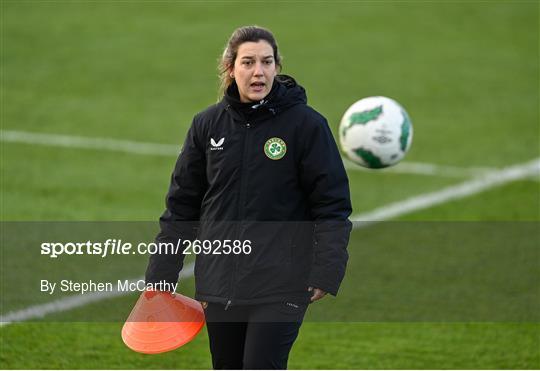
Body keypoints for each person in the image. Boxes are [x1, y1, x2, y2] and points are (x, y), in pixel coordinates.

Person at [145, 25, 352, 370]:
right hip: (219, 283)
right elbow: (182, 207)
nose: (259, 71)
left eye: (267, 62)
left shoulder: (307, 126)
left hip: (282, 284)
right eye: (249, 62)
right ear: (230, 69)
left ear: (277, 67)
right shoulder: (207, 126)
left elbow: (331, 205)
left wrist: (327, 270)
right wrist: (160, 276)